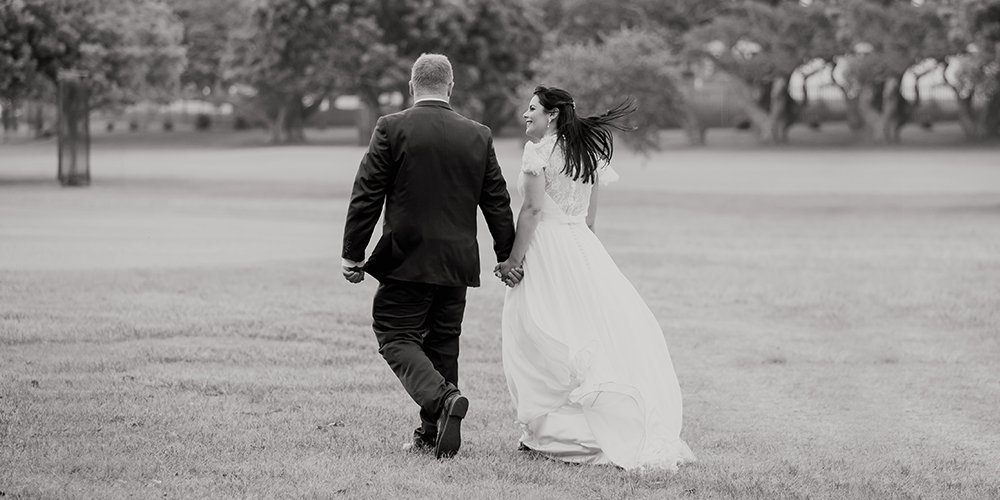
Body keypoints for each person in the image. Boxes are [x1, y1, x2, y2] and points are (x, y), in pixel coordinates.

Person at [495, 86, 696, 471]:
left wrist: (512, 261)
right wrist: (584, 262)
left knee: (537, 334)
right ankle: (557, 430)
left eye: (532, 108)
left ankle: (551, 433)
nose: (525, 113)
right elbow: (589, 220)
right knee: (583, 331)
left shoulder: (537, 152)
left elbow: (533, 210)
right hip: (583, 250)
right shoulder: (586, 154)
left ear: (552, 114)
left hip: (547, 251)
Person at [341, 53, 519, 459]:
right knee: (443, 345)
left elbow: (366, 194)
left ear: (411, 85)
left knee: (394, 335)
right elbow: (496, 201)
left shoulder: (392, 127)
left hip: (406, 258)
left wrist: (353, 254)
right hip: (457, 262)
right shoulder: (478, 134)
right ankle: (432, 434)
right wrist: (506, 254)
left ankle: (443, 402)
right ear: (450, 86)